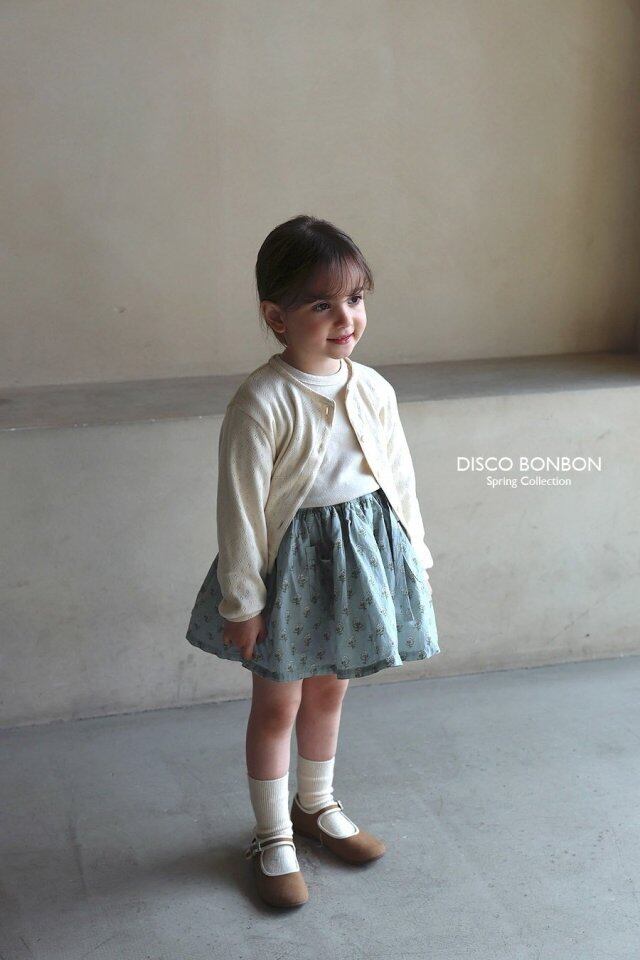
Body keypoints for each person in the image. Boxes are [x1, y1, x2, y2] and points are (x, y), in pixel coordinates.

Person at [185, 213, 440, 908]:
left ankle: (316, 804)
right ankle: (272, 834)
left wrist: (413, 557)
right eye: (321, 304)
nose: (345, 318)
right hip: (290, 570)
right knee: (278, 703)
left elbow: (399, 480)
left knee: (330, 690)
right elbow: (240, 509)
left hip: (359, 561)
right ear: (277, 317)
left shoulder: (373, 389)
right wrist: (244, 601)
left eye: (355, 298)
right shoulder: (261, 401)